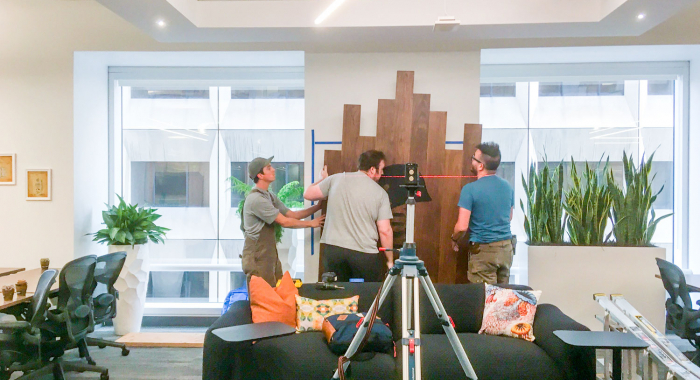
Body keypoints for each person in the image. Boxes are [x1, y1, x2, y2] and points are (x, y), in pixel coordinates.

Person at [304, 150, 393, 282]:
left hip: (333, 251)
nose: (383, 173)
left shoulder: (335, 179)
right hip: (364, 253)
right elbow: (385, 231)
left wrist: (323, 180)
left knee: (337, 295)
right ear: (373, 170)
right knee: (368, 295)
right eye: (382, 169)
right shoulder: (381, 194)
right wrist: (390, 260)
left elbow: (308, 194)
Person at [242, 156, 325, 287]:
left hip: (269, 253)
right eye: (269, 168)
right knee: (263, 295)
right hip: (257, 254)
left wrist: (318, 206)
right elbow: (285, 222)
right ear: (260, 175)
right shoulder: (256, 199)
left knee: (276, 289)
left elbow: (292, 214)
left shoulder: (269, 196)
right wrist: (311, 223)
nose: (273, 169)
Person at [452, 142, 514, 284]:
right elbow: (509, 217)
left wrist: (454, 239)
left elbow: (462, 227)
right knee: (502, 299)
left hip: (484, 253)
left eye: (474, 158)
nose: (472, 160)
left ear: (480, 166)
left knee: (484, 299)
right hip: (506, 250)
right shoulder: (507, 187)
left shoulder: (470, 190)